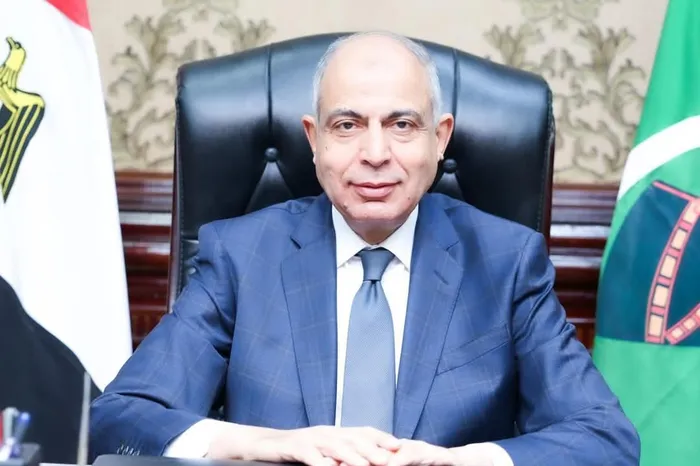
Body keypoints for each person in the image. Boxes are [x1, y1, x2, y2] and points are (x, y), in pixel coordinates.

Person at [89, 31, 640, 466]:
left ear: (440, 138)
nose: (375, 153)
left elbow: (605, 439)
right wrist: (266, 445)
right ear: (314, 139)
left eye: (402, 124)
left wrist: (461, 461)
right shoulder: (241, 255)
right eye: (348, 125)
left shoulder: (506, 263)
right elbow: (118, 419)